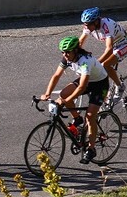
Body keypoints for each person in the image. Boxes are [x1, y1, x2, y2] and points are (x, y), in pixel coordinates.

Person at [41, 36, 109, 165]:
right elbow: (56, 75)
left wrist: (65, 101)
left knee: (90, 116)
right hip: (88, 81)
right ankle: (77, 118)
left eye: (67, 52)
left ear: (76, 51)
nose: (65, 55)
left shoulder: (85, 61)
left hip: (100, 85)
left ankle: (91, 148)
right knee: (63, 93)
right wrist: (47, 93)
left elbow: (82, 86)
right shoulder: (67, 58)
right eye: (63, 52)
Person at [78, 7, 127, 100]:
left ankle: (120, 86)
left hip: (123, 45)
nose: (86, 27)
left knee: (105, 65)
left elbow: (109, 49)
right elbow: (80, 42)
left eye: (88, 24)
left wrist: (95, 62)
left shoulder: (107, 25)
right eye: (84, 24)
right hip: (114, 46)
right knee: (100, 70)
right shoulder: (88, 26)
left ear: (96, 22)